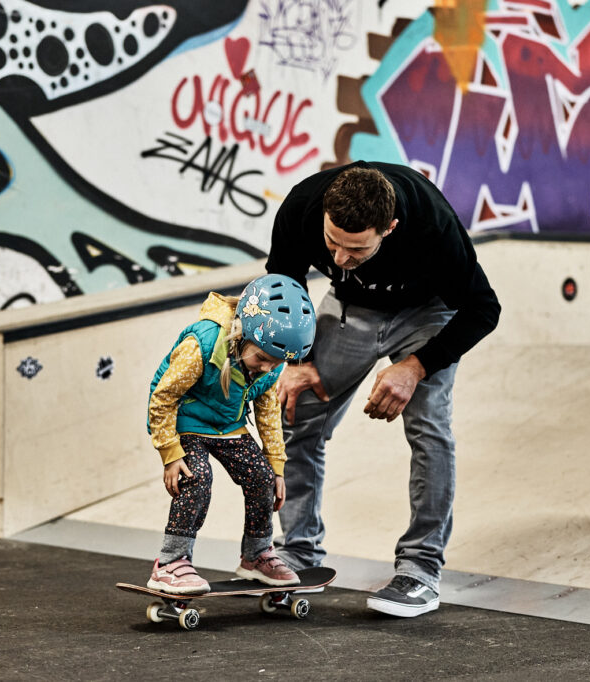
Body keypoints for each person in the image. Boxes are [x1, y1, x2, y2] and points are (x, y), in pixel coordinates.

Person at [265, 161, 501, 617]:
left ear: (389, 228)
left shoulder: (433, 225)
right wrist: (296, 361)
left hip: (426, 316)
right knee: (297, 410)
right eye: (332, 241)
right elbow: (283, 283)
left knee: (429, 429)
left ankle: (420, 569)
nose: (337, 258)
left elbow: (483, 309)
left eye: (355, 249)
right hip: (351, 308)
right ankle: (297, 551)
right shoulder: (302, 205)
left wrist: (415, 367)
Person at [145, 274, 316, 594]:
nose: (268, 368)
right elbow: (163, 398)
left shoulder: (273, 361)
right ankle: (170, 561)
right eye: (262, 359)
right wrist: (170, 453)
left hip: (228, 425)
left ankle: (256, 555)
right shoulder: (204, 344)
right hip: (188, 420)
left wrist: (276, 466)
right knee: (195, 476)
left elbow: (268, 413)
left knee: (261, 476)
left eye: (277, 363)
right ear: (241, 333)